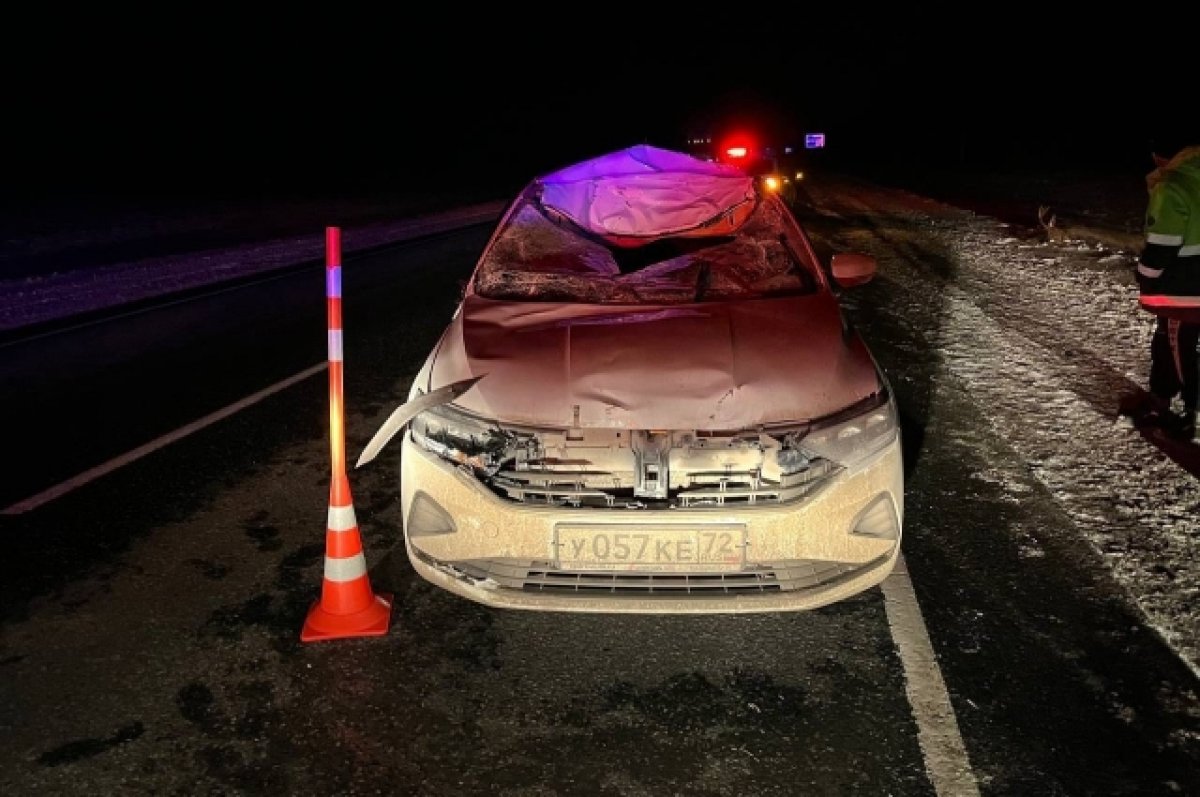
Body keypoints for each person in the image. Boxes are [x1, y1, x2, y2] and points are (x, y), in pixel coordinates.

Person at [1131, 133, 1200, 441]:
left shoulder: (1172, 185)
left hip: (1184, 289)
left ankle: (1189, 416)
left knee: (1176, 347)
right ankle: (1163, 398)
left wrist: (1144, 274)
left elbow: (1162, 245)